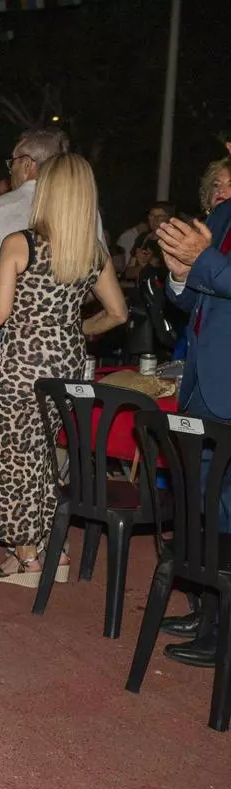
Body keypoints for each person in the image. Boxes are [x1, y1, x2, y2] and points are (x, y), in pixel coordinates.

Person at [0, 154, 128, 585]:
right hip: (67, 364)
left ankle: (25, 556)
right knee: (45, 456)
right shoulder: (93, 252)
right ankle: (53, 549)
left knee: (16, 457)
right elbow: (118, 313)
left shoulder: (19, 243)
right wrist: (77, 328)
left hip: (22, 364)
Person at [0, 127, 71, 551]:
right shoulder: (80, 210)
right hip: (57, 336)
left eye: (12, 161)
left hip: (1, 330)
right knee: (45, 430)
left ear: (27, 164)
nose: (10, 169)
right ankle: (40, 531)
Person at [152, 182, 231, 668]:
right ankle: (209, 613)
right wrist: (181, 276)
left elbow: (215, 270)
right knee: (206, 508)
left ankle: (223, 632)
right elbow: (196, 297)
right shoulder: (222, 216)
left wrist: (201, 261)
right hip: (203, 387)